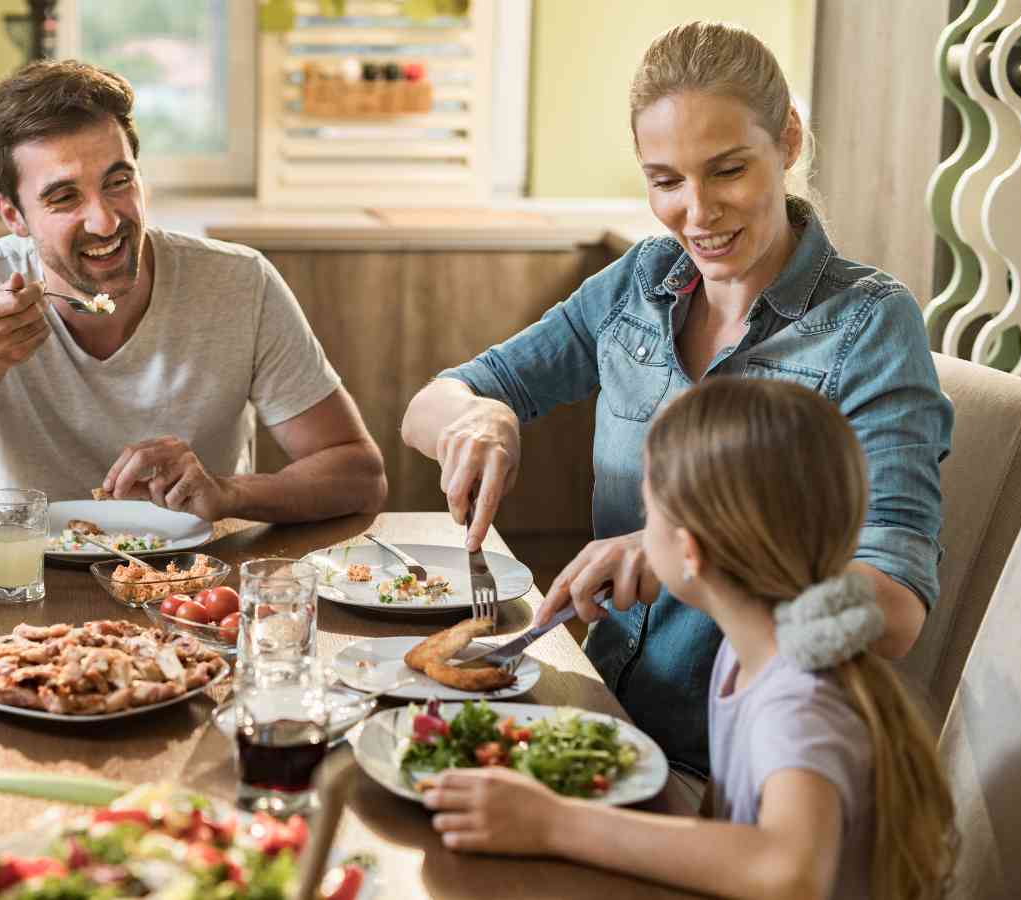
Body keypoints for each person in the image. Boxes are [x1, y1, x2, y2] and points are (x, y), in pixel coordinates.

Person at [399, 21, 951, 780]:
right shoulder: (639, 285)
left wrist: (693, 554)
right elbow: (429, 404)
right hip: (601, 725)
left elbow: (893, 610)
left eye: (727, 171)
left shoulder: (867, 326)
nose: (697, 212)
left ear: (787, 140)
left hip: (742, 769)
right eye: (665, 181)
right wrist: (480, 416)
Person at [423, 378, 956, 900]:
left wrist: (555, 824)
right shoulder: (750, 652)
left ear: (690, 551)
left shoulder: (799, 698)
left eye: (648, 512)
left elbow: (789, 873)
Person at [0, 61, 386, 530]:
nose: (105, 220)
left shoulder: (240, 282)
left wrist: (228, 493)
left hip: (197, 587)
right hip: (30, 583)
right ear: (13, 214)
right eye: (63, 197)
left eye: (118, 181)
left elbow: (359, 476)